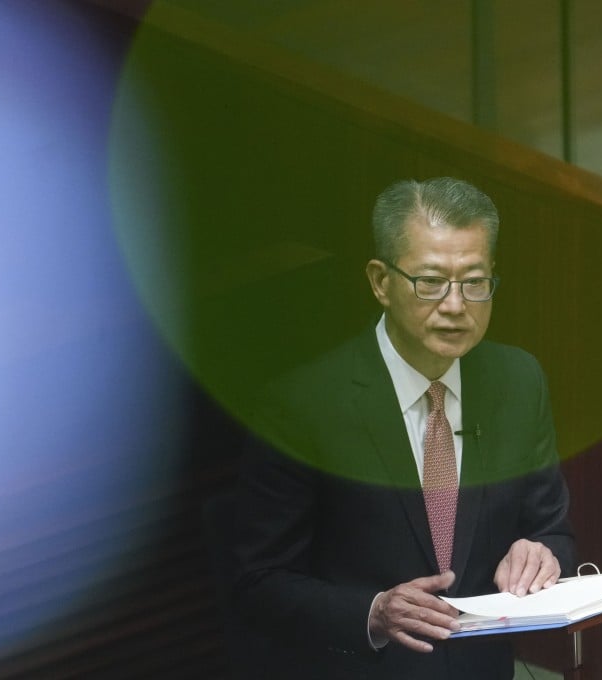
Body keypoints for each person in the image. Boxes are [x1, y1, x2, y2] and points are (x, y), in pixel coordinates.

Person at [229, 177, 576, 679]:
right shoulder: (304, 405)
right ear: (380, 281)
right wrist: (371, 613)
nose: (456, 306)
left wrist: (542, 554)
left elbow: (552, 530)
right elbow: (256, 582)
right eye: (431, 282)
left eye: (474, 282)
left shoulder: (518, 381)